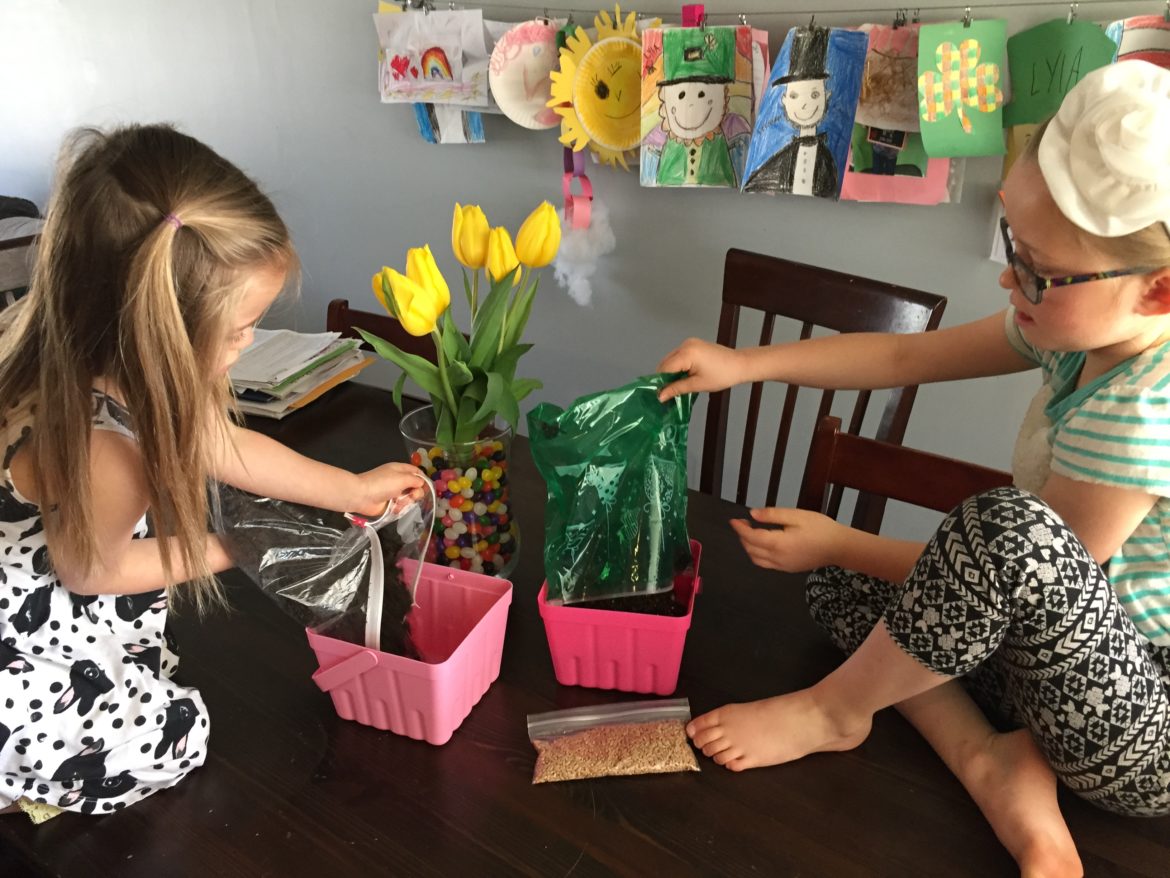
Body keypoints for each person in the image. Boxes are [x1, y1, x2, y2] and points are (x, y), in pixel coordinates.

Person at [659, 61, 1170, 877]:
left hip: (1139, 727)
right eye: (1015, 245)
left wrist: (840, 541)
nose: (1010, 279)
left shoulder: (1147, 409)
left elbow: (1029, 573)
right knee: (839, 589)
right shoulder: (1072, 332)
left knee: (1002, 528)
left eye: (1038, 270)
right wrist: (746, 364)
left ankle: (834, 712)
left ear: (1158, 292)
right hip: (1045, 672)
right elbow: (901, 354)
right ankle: (989, 760)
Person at [0, 124, 423, 817]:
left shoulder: (76, 349)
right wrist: (237, 548)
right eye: (234, 332)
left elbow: (220, 442)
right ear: (153, 329)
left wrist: (350, 488)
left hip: (51, 590)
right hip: (27, 642)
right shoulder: (106, 448)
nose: (247, 342)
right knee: (177, 733)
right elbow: (91, 572)